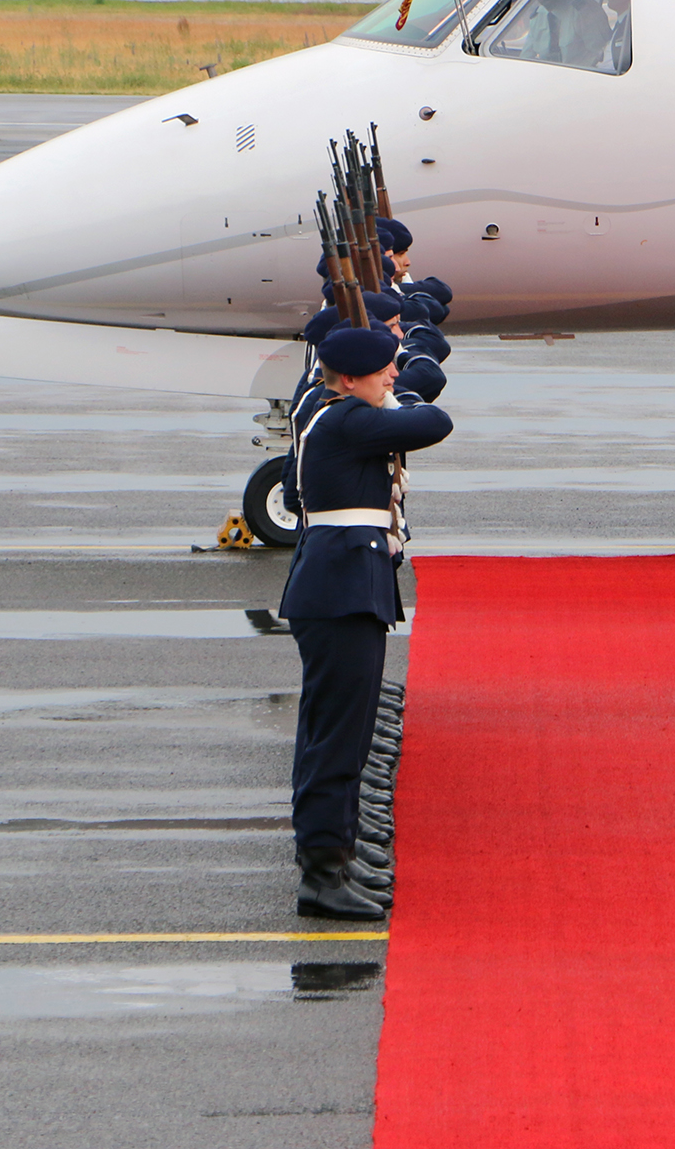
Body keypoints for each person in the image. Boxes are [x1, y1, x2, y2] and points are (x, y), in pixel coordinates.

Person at [279, 326, 454, 919]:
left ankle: (337, 854)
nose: (394, 376)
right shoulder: (348, 418)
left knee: (345, 733)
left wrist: (389, 396)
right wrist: (394, 402)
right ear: (350, 380)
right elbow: (435, 422)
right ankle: (322, 871)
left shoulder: (344, 411)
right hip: (339, 591)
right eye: (382, 371)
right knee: (336, 736)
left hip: (345, 585)